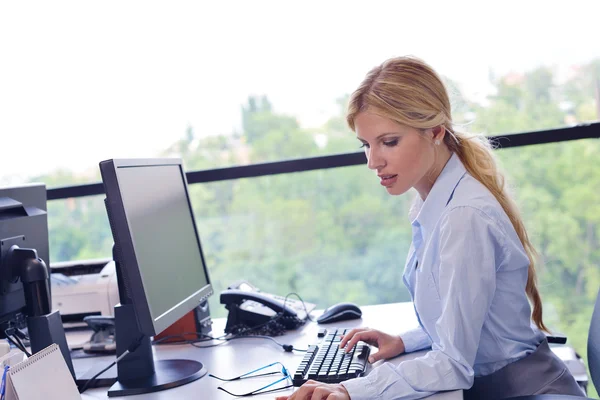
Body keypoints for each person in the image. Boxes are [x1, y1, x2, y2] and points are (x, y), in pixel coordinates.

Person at [276, 56, 585, 400]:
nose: (373, 161)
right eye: (366, 144)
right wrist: (405, 341)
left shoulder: (464, 216)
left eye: (389, 142)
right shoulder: (432, 202)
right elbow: (465, 319)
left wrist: (350, 389)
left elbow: (453, 363)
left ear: (435, 132)